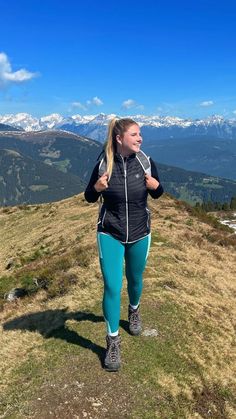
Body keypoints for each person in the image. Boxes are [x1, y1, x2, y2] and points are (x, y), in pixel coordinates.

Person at [84, 117, 164, 372]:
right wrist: (97, 187)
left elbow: (158, 192)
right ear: (120, 139)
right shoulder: (104, 163)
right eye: (135, 135)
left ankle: (134, 311)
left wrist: (156, 186)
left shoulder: (146, 162)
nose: (140, 138)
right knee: (112, 285)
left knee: (136, 279)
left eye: (140, 134)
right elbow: (88, 196)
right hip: (110, 232)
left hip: (141, 231)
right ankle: (113, 341)